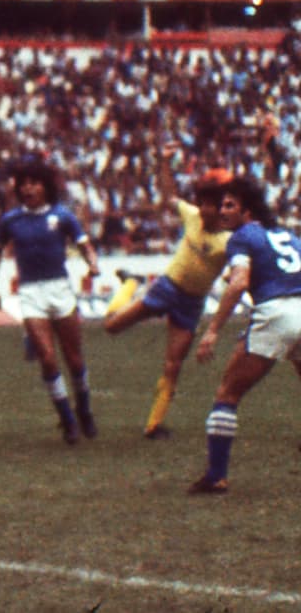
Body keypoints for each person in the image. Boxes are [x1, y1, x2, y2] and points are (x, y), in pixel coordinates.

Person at [103, 147, 233, 439]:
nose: (202, 208)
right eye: (200, 203)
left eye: (208, 204)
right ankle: (130, 283)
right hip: (167, 288)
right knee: (111, 326)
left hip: (191, 303)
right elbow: (168, 195)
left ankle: (154, 425)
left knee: (173, 364)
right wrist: (162, 160)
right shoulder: (192, 216)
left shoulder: (229, 240)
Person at [188, 178, 301, 494]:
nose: (223, 211)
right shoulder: (288, 236)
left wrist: (212, 330)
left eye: (230, 205)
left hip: (277, 313)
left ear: (247, 210)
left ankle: (216, 476)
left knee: (227, 393)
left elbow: (237, 284)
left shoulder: (242, 236)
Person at [0, 157, 101, 445]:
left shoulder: (62, 216)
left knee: (74, 360)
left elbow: (84, 243)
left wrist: (93, 263)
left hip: (60, 289)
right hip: (31, 293)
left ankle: (83, 409)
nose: (28, 189)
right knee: (48, 359)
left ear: (45, 187)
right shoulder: (11, 220)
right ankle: (67, 419)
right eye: (23, 185)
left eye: (33, 184)